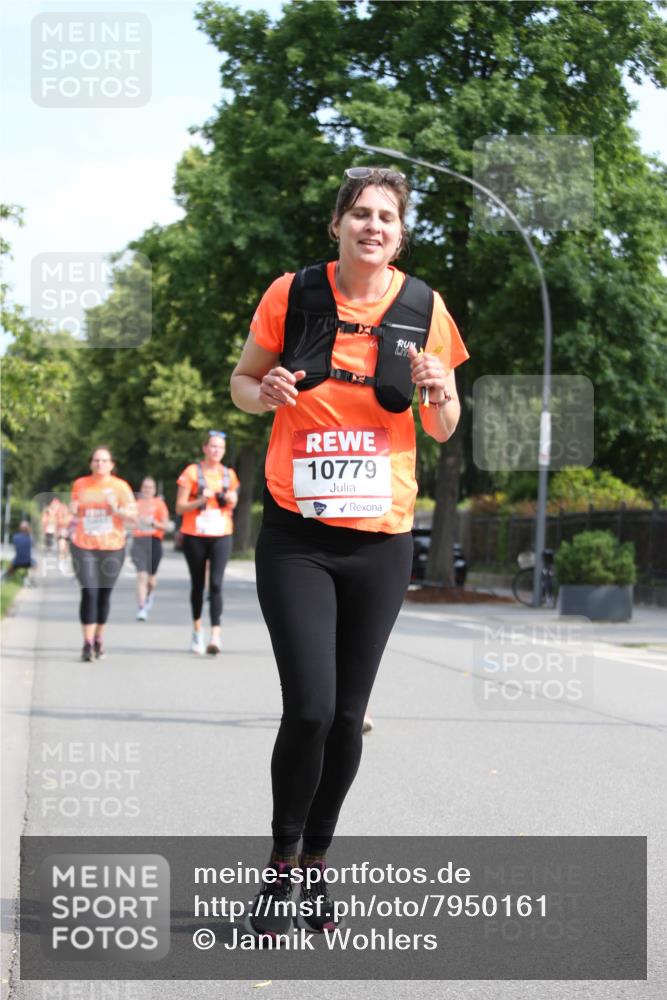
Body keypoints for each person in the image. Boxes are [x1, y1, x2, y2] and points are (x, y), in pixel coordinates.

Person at [230, 166, 469, 937]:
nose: (372, 226)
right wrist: (263, 392)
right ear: (336, 224)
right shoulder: (291, 293)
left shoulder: (424, 307)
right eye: (360, 213)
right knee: (306, 709)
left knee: (344, 717)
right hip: (297, 535)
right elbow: (241, 382)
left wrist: (438, 386)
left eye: (386, 217)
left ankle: (316, 863)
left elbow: (442, 427)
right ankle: (280, 863)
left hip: (380, 542)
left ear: (400, 235)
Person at [69, 445, 136, 662]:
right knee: (89, 592)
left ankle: (98, 637)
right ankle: (87, 643)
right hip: (84, 544)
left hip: (112, 546)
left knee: (104, 594)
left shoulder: (120, 486)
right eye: (96, 460)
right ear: (90, 464)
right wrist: (73, 509)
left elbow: (133, 517)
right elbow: (75, 511)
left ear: (112, 464)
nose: (100, 464)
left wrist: (116, 509)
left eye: (104, 461)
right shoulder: (81, 484)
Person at [175, 432, 239, 655]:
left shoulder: (229, 474)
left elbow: (233, 501)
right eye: (212, 446)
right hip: (195, 534)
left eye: (220, 447)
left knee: (216, 584)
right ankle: (196, 632)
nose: (216, 451)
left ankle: (215, 636)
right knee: (198, 584)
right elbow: (180, 507)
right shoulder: (192, 472)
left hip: (221, 533)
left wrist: (231, 499)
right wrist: (201, 499)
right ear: (204, 448)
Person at [131, 477, 169, 620]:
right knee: (141, 575)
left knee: (151, 579)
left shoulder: (159, 504)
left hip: (154, 541)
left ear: (154, 490)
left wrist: (153, 523)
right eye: (145, 487)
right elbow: (128, 523)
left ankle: (149, 595)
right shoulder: (135, 505)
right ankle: (141, 608)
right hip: (139, 541)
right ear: (141, 488)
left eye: (150, 487)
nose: (147, 490)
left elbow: (165, 525)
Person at [41, 497, 71, 572]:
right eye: (53, 504)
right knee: (62, 548)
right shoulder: (50, 511)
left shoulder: (65, 509)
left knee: (66, 549)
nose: (54, 506)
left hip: (68, 531)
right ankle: (61, 564)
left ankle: (64, 561)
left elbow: (71, 519)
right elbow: (47, 520)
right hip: (60, 531)